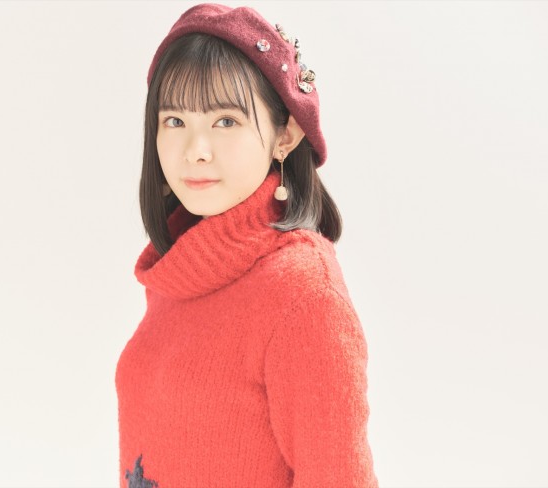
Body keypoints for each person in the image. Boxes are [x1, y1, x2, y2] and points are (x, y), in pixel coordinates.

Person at [115, 3, 378, 487]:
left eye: (225, 121)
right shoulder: (180, 271)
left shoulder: (303, 296)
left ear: (286, 134)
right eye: (175, 121)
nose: (195, 150)